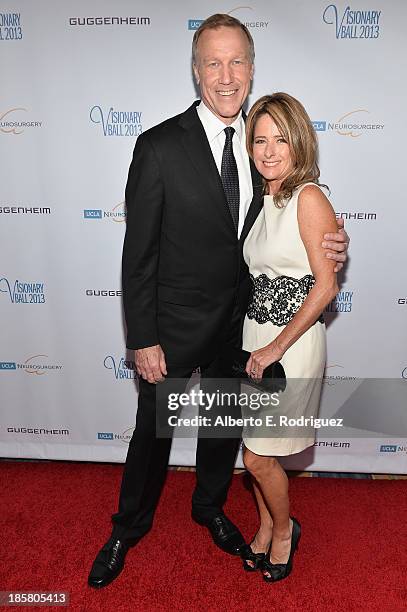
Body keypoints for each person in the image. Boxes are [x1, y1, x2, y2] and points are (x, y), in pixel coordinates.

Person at [88, 15, 349, 589]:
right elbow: (139, 254)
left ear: (251, 70)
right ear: (196, 70)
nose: (226, 76)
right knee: (152, 432)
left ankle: (209, 507)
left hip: (241, 326)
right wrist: (142, 336)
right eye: (213, 62)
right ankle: (126, 528)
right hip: (173, 327)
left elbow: (293, 217)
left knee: (222, 430)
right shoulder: (158, 146)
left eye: (237, 62)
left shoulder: (263, 147)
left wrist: (335, 237)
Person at [239, 92, 339, 582]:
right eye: (260, 139)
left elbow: (326, 285)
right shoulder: (264, 202)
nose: (270, 149)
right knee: (255, 451)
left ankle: (283, 530)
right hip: (254, 338)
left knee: (258, 456)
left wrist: (276, 345)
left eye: (280, 138)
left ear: (299, 141)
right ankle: (262, 527)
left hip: (290, 346)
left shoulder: (309, 197)